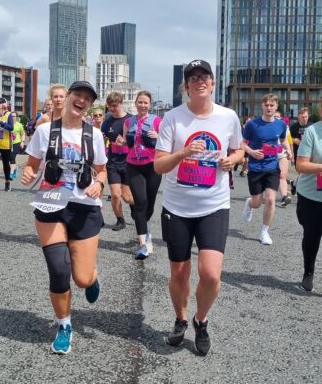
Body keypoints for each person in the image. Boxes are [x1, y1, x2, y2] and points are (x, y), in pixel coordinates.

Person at [154, 59, 244, 356]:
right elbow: (158, 165)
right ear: (186, 86)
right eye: (193, 77)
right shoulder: (173, 118)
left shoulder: (229, 117)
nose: (199, 80)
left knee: (211, 275)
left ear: (212, 82)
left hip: (214, 205)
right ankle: (181, 319)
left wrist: (234, 160)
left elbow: (239, 149)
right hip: (177, 206)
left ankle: (200, 320)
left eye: (204, 75)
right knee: (179, 274)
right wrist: (183, 152)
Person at [21, 81, 107, 355]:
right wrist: (28, 174)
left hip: (85, 206)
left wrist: (100, 184)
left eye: (87, 98)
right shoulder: (45, 131)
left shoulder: (93, 135)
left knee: (80, 278)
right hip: (50, 204)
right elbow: (32, 165)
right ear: (67, 98)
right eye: (77, 95)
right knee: (59, 270)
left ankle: (92, 278)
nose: (81, 100)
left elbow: (102, 170)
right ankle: (64, 325)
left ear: (89, 105)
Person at [116, 91, 162, 259]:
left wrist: (158, 136)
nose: (143, 105)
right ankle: (143, 244)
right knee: (140, 203)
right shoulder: (128, 122)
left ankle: (144, 224)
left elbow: (166, 142)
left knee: (149, 206)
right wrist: (121, 142)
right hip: (133, 165)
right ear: (135, 103)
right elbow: (126, 145)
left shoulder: (157, 121)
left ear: (150, 105)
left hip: (152, 166)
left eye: (146, 103)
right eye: (140, 102)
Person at [242, 94, 292, 244]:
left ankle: (264, 232)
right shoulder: (252, 125)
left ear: (276, 107)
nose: (269, 108)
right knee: (258, 202)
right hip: (255, 167)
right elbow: (242, 143)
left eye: (272, 105)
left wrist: (288, 149)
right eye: (266, 105)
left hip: (272, 166)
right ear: (262, 106)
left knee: (270, 199)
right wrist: (251, 152)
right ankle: (249, 204)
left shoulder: (281, 124)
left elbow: (283, 140)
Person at [295, 101, 322, 292]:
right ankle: (309, 271)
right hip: (312, 196)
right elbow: (301, 165)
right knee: (312, 236)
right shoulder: (312, 132)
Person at [101, 92, 134, 231]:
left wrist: (126, 143)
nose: (113, 109)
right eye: (110, 107)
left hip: (128, 162)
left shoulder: (131, 120)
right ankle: (120, 220)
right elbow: (102, 142)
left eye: (115, 106)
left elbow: (138, 141)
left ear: (121, 104)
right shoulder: (106, 123)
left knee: (127, 197)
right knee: (115, 194)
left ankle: (136, 208)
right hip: (113, 162)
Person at [274, 110, 294, 207]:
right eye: (275, 116)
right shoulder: (266, 125)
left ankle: (284, 197)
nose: (277, 118)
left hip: (281, 153)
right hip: (268, 155)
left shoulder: (284, 127)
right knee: (268, 176)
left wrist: (290, 152)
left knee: (282, 176)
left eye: (278, 117)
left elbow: (287, 141)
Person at [290, 107, 311, 195]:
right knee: (302, 173)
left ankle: (295, 184)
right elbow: (287, 139)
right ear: (298, 117)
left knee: (308, 173)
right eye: (302, 117)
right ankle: (298, 187)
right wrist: (293, 140)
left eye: (306, 117)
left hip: (310, 154)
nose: (304, 119)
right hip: (298, 154)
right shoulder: (294, 127)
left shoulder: (311, 126)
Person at [9, 112, 26, 179]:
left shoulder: (19, 125)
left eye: (14, 116)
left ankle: (11, 173)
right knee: (9, 158)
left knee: (12, 157)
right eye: (11, 116)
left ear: (16, 117)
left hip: (16, 143)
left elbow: (23, 134)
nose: (12, 117)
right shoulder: (7, 124)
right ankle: (15, 168)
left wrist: (22, 142)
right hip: (8, 143)